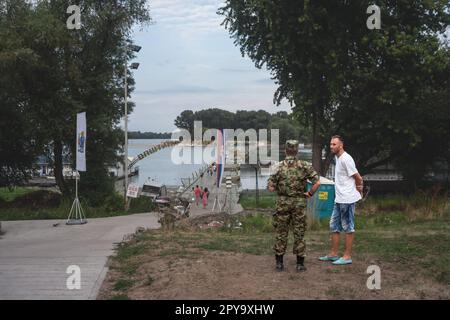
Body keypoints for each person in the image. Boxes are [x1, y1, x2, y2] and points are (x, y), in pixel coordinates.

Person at [268, 140, 321, 272]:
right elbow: (317, 182)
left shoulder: (278, 166)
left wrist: (278, 188)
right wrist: (309, 193)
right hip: (299, 203)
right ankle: (300, 264)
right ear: (297, 151)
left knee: (281, 232)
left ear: (286, 150)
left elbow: (271, 187)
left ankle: (279, 263)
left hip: (282, 203)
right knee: (299, 233)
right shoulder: (305, 165)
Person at [319, 135, 363, 265]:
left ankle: (347, 256)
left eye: (334, 144)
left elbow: (358, 178)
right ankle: (333, 254)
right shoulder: (338, 158)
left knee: (348, 227)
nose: (331, 146)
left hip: (347, 199)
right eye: (331, 144)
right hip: (339, 199)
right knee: (334, 226)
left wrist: (358, 191)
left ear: (341, 145)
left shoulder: (346, 159)